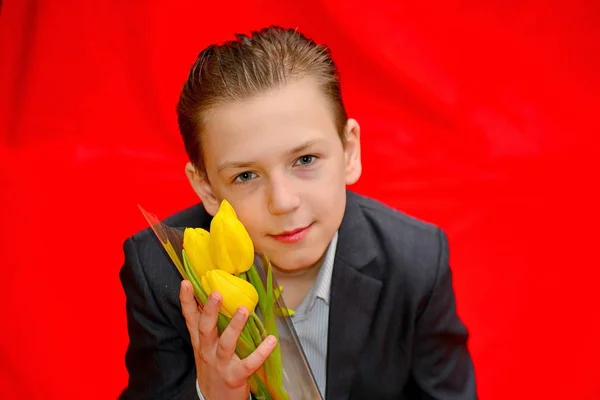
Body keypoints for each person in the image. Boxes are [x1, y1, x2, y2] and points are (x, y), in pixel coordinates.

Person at [119, 26, 477, 400]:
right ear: (207, 187)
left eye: (305, 159)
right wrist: (211, 396)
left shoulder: (414, 261)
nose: (283, 201)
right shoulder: (163, 270)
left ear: (349, 151)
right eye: (245, 175)